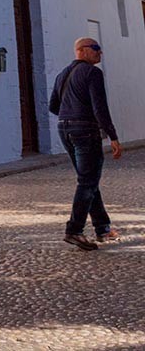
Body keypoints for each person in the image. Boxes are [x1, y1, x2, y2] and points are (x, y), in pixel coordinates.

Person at [48, 37, 124, 251]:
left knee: (88, 180)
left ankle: (103, 228)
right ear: (81, 51)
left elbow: (54, 106)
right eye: (96, 48)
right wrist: (113, 136)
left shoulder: (62, 74)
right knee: (88, 181)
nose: (100, 53)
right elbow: (100, 108)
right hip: (85, 131)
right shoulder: (93, 73)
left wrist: (70, 114)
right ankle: (74, 230)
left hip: (65, 129)